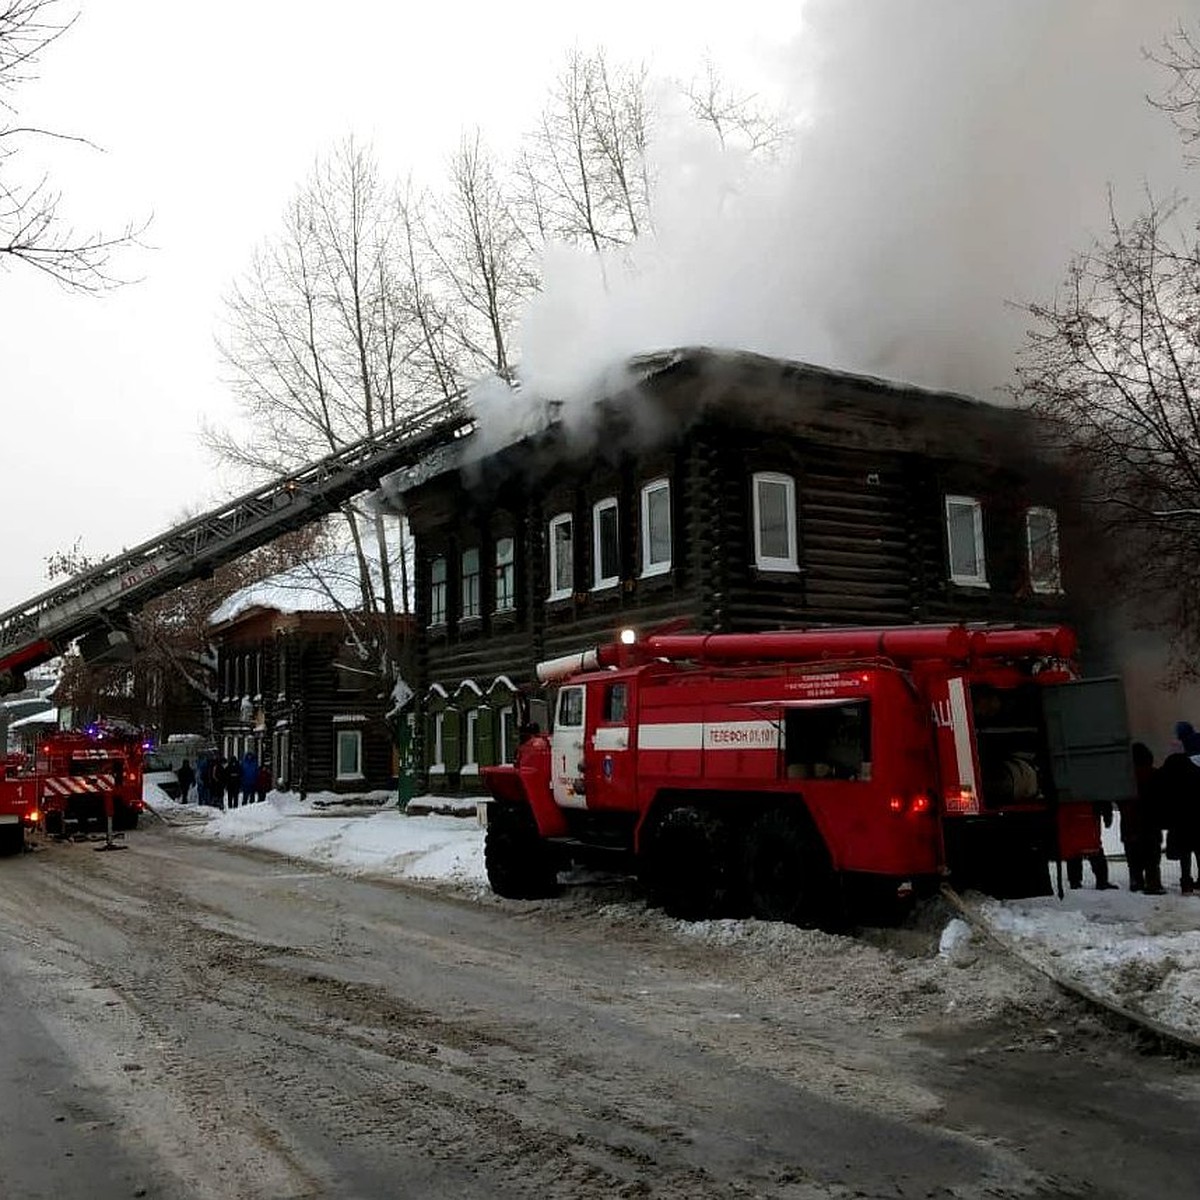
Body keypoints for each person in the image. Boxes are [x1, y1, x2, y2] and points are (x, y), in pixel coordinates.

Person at [1123, 743, 1166, 895]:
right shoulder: (1156, 774)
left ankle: (1136, 880)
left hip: (1130, 822)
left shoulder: (1125, 777)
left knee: (1133, 855)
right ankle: (1153, 882)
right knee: (1152, 856)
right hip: (1151, 821)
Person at [1161, 743, 1200, 894]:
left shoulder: (1166, 772)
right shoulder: (1195, 770)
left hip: (1178, 820)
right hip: (1197, 818)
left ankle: (1186, 883)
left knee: (1184, 853)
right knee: (1198, 850)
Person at [1066, 800, 1118, 890]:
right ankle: (1101, 881)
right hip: (1090, 810)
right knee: (1092, 849)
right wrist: (1107, 814)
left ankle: (1075, 882)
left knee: (1075, 849)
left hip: (1074, 810)